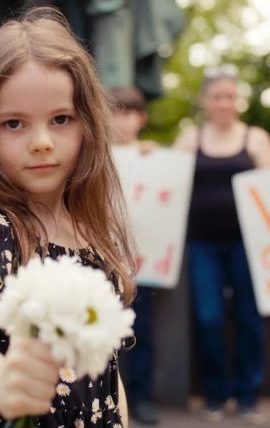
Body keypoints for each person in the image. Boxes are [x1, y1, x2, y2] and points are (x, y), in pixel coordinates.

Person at [0, 8, 136, 427]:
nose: (41, 142)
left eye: (61, 119)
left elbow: (106, 370)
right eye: (14, 123)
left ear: (87, 123)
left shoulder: (91, 230)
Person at [173, 64, 270, 424]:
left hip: (247, 247)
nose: (224, 102)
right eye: (217, 96)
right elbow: (164, 183)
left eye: (230, 96)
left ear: (238, 100)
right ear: (205, 101)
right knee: (208, 319)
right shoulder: (190, 138)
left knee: (249, 318)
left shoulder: (256, 139)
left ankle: (248, 397)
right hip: (203, 245)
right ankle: (216, 396)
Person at [109, 86, 161, 425]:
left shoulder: (153, 158)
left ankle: (141, 398)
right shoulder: (92, 154)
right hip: (102, 258)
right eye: (116, 111)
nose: (122, 120)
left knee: (141, 331)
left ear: (140, 118)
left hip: (142, 262)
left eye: (129, 113)